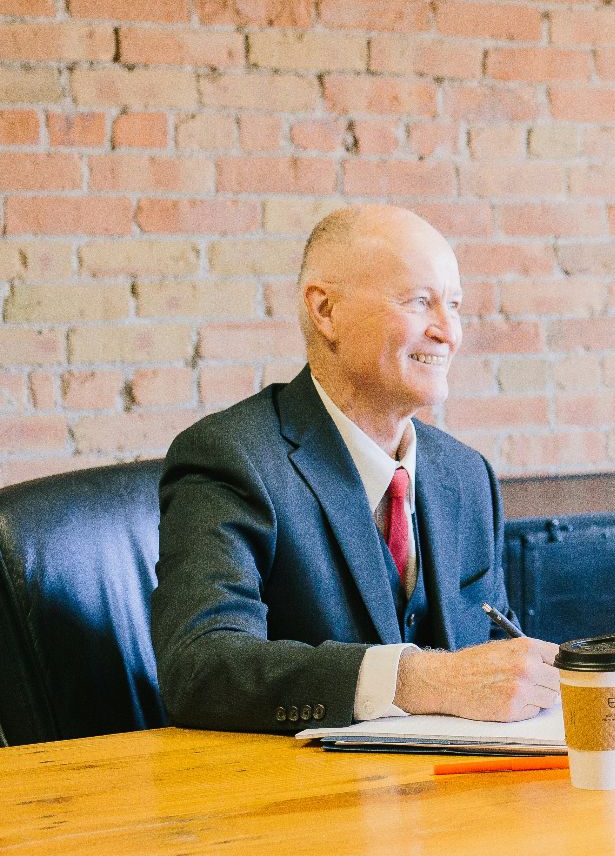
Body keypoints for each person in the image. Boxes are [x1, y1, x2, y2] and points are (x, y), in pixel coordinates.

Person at [150, 205, 559, 733]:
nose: (448, 332)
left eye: (454, 305)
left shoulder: (466, 475)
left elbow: (493, 658)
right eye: (419, 302)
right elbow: (200, 669)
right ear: (326, 311)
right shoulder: (230, 456)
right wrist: (419, 680)